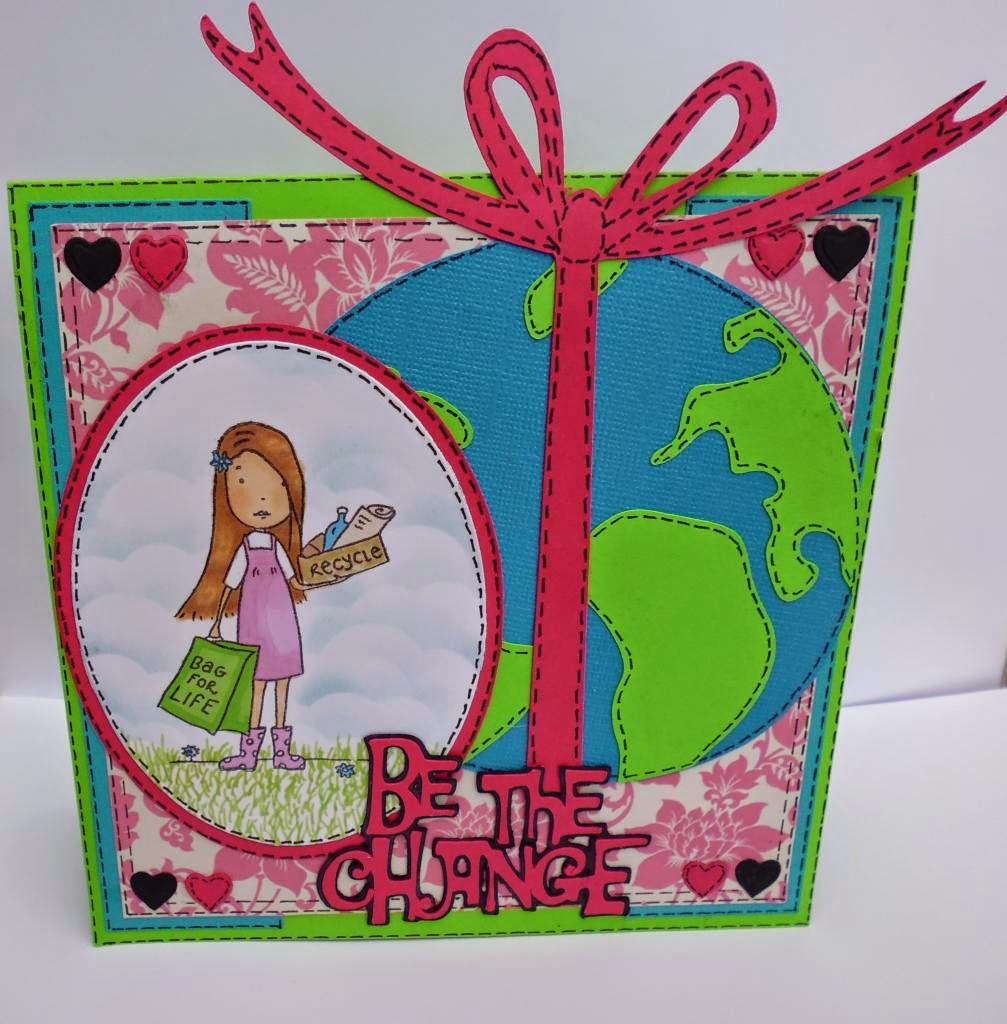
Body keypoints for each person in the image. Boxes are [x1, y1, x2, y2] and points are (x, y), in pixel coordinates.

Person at [177, 421, 310, 772]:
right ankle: (249, 752)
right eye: (243, 484)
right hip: (254, 626)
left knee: (282, 683)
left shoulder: (278, 547)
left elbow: (297, 579)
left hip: (283, 623)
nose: (262, 500)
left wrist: (321, 574)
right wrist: (217, 624)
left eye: (274, 485)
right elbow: (229, 585)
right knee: (256, 684)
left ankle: (281, 752)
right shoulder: (246, 547)